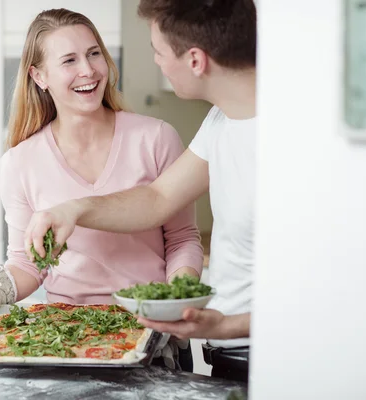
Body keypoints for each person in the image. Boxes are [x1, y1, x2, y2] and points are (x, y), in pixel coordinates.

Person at [0, 8, 205, 371]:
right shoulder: (19, 163)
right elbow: (27, 262)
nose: (88, 70)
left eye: (94, 53)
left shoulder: (155, 138)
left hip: (152, 329)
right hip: (66, 336)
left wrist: (177, 302)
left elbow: (182, 240)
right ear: (39, 76)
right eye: (69, 60)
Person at [24, 0, 257, 383]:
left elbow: (326, 288)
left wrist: (225, 324)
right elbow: (158, 199)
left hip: (276, 355)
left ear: (195, 61)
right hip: (229, 358)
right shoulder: (222, 121)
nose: (157, 63)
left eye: (159, 52)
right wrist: (75, 209)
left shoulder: (295, 136)